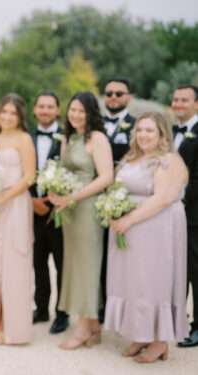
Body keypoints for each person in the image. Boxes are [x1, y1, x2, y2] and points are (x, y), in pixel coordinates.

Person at [104, 112, 189, 363]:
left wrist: (128, 220)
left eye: (150, 130)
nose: (143, 135)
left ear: (162, 133)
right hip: (127, 231)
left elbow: (162, 198)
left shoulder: (168, 161)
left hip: (156, 229)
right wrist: (110, 210)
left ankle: (159, 341)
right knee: (133, 282)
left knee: (153, 282)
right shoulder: (131, 158)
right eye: (140, 130)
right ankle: (141, 334)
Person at [48, 92, 113, 350]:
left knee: (88, 266)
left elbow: (106, 177)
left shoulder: (97, 139)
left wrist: (74, 196)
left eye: (81, 111)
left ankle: (84, 327)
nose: (75, 115)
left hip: (87, 210)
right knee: (74, 265)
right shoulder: (68, 137)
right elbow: (63, 171)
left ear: (91, 113)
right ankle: (93, 325)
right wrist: (55, 190)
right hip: (69, 211)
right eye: (72, 110)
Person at [0, 93, 36, 344]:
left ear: (20, 117)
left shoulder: (24, 139)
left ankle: (11, 325)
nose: (7, 117)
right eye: (4, 112)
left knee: (14, 263)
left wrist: (6, 196)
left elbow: (29, 177)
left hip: (16, 204)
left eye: (13, 113)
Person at [29, 91, 69, 334]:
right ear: (35, 110)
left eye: (49, 106)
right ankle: (41, 308)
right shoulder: (27, 137)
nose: (45, 110)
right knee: (38, 261)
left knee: (62, 262)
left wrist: (57, 200)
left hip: (60, 212)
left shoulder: (67, 137)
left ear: (57, 110)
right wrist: (31, 200)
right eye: (41, 106)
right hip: (32, 210)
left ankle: (62, 313)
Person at [98, 77, 137, 323]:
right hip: (98, 198)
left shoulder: (137, 126)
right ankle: (103, 306)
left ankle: (129, 309)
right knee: (100, 253)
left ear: (128, 97)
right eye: (109, 93)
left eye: (118, 93)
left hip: (127, 199)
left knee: (127, 254)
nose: (113, 97)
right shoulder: (96, 125)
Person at [171, 85, 198, 348]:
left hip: (193, 214)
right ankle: (177, 320)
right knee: (175, 269)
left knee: (195, 270)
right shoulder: (169, 131)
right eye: (176, 99)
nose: (178, 104)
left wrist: (175, 196)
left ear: (196, 103)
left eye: (184, 100)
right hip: (169, 214)